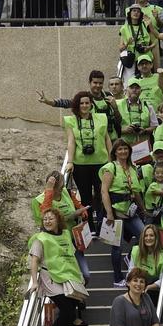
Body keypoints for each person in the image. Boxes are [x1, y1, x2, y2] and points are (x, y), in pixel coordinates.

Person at [28, 208, 85, 326]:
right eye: (45, 219)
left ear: (58, 220)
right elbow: (34, 260)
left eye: (50, 218)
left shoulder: (66, 234)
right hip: (52, 278)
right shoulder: (41, 238)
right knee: (68, 312)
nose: (47, 221)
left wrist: (79, 276)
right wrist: (34, 282)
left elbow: (71, 257)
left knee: (68, 314)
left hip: (70, 278)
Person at [64, 91, 111, 233]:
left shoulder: (101, 118)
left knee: (101, 193)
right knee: (85, 196)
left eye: (87, 103)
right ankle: (89, 226)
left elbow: (107, 139)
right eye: (81, 103)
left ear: (91, 104)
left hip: (101, 162)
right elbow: (71, 142)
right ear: (77, 105)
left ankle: (103, 227)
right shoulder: (70, 120)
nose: (84, 105)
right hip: (81, 164)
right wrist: (70, 161)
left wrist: (110, 160)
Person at [100, 139, 145, 287]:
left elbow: (136, 192)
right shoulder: (110, 167)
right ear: (115, 152)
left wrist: (143, 208)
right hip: (115, 211)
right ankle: (117, 278)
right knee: (116, 247)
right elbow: (104, 191)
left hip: (130, 212)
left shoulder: (132, 168)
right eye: (120, 149)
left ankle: (130, 256)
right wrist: (109, 213)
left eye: (125, 149)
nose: (123, 152)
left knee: (144, 236)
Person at [37, 70, 122, 142]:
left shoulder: (108, 97)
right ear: (89, 83)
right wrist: (48, 102)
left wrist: (115, 108)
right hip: (94, 140)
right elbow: (66, 103)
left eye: (100, 83)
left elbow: (119, 120)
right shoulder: (85, 98)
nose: (98, 86)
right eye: (95, 83)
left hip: (111, 140)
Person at [128, 224, 163, 297]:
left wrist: (148, 287)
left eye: (151, 235)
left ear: (156, 237)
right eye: (146, 235)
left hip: (153, 287)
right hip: (138, 283)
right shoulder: (136, 250)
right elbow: (130, 271)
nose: (148, 238)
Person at [117, 79, 158, 146]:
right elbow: (113, 127)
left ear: (141, 91)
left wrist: (145, 131)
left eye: (137, 88)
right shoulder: (118, 105)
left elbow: (154, 126)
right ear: (126, 90)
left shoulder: (147, 105)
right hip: (124, 146)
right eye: (131, 88)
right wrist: (124, 130)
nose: (134, 90)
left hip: (143, 145)